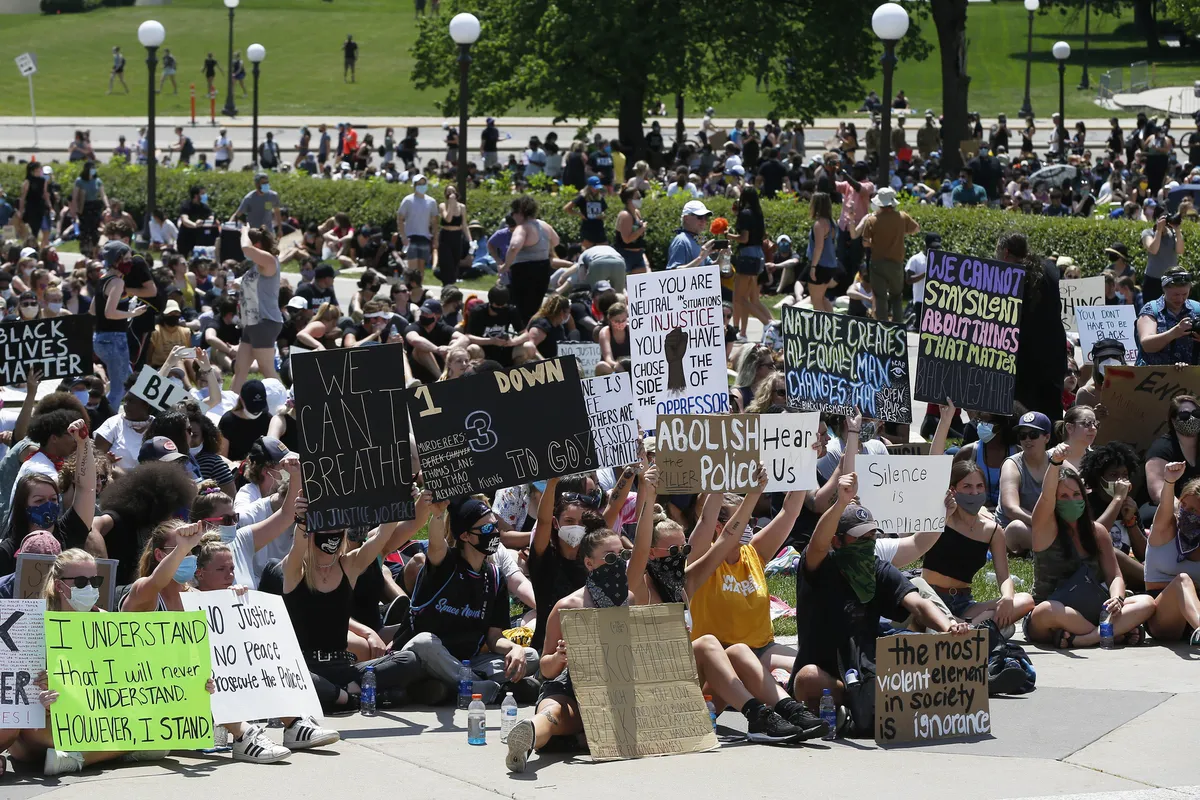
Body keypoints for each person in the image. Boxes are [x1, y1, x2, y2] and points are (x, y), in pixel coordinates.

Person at [790, 473, 970, 715]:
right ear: (838, 541)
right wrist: (841, 503)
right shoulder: (819, 567)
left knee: (915, 647)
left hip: (868, 671)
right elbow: (817, 544)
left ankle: (862, 706)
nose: (868, 542)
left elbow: (918, 604)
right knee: (808, 678)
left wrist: (948, 626)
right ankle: (852, 705)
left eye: (872, 536)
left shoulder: (876, 568)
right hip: (830, 676)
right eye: (860, 538)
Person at [397, 496, 539, 704]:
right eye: (486, 529)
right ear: (465, 535)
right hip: (424, 655)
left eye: (495, 526)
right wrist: (437, 515)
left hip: (466, 662)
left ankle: (452, 687)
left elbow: (494, 638)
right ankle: (481, 689)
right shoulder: (446, 564)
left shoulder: (496, 577)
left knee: (531, 657)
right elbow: (436, 546)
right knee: (425, 641)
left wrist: (513, 649)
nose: (494, 532)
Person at [1024, 443, 1156, 648]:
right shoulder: (1045, 531)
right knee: (1046, 611)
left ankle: (1085, 638)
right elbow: (1047, 495)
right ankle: (1114, 633)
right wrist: (1055, 463)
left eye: (1076, 495)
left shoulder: (1097, 532)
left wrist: (1117, 599)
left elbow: (1115, 576)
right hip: (1057, 612)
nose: (1071, 500)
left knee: (1146, 603)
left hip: (1094, 608)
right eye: (1064, 496)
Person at [925, 460, 1035, 631]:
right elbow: (933, 464)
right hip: (931, 598)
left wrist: (1007, 597)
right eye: (967, 487)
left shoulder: (992, 530)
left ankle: (967, 628)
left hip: (964, 603)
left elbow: (1004, 576)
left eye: (979, 486)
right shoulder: (939, 519)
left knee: (1025, 600)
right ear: (953, 490)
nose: (974, 492)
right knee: (917, 608)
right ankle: (977, 628)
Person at [1145, 461, 1200, 644]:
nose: (1185, 512)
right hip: (1163, 616)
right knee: (1182, 580)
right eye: (1183, 505)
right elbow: (1165, 507)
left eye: (1193, 510)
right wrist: (1169, 482)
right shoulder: (1164, 530)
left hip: (1195, 608)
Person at [1080, 442, 1146, 592]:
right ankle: (1162, 583)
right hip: (1094, 570)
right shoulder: (1086, 504)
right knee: (1111, 551)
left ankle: (1158, 582)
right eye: (1113, 475)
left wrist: (1131, 522)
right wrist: (1116, 500)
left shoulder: (1129, 505)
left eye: (1124, 475)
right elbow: (1094, 538)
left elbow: (1143, 554)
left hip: (1122, 574)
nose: (1120, 480)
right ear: (1099, 478)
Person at [90, 241, 146, 407]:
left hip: (100, 339)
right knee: (119, 389)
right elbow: (110, 312)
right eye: (127, 258)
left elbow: (93, 310)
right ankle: (103, 422)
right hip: (114, 340)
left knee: (130, 381)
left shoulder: (102, 279)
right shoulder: (117, 282)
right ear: (116, 259)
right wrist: (132, 313)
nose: (130, 262)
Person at [853, 187, 919, 323]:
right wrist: (900, 234)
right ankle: (898, 329)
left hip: (878, 263)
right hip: (896, 264)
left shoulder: (872, 220)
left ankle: (883, 328)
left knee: (880, 296)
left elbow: (865, 243)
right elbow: (916, 228)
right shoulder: (902, 217)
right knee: (896, 296)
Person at [230, 226, 283, 392]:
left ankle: (289, 402)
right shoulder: (256, 266)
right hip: (251, 322)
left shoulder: (269, 259)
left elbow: (246, 248)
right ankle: (228, 407)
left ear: (257, 245)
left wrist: (244, 231)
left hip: (265, 322)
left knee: (266, 369)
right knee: (240, 369)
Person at [502, 196, 560, 324]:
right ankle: (533, 331)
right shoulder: (544, 225)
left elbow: (513, 247)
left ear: (521, 212)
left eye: (513, 212)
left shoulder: (522, 228)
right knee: (535, 305)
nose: (512, 216)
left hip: (524, 270)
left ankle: (524, 335)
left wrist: (506, 265)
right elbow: (556, 241)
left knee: (521, 306)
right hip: (543, 268)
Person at [731, 187, 772, 339]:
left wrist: (729, 235)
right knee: (751, 298)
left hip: (747, 256)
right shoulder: (758, 214)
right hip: (758, 257)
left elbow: (744, 238)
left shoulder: (745, 214)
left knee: (739, 298)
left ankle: (767, 324)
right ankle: (743, 332)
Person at [1137, 267, 1199, 366]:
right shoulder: (1151, 310)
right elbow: (1147, 345)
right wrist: (1174, 332)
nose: (1180, 298)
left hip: (1191, 376)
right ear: (1164, 289)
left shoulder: (1197, 309)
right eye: (1175, 294)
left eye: (1184, 294)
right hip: (1155, 377)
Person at [219, 380, 271, 461]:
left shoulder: (268, 419)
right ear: (241, 400)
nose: (256, 412)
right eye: (253, 407)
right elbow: (222, 457)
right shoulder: (228, 421)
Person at [1141, 207, 1184, 303]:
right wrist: (1159, 231)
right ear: (1156, 219)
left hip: (1171, 280)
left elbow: (1180, 250)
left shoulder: (1173, 233)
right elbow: (1153, 250)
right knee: (1152, 310)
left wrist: (1177, 230)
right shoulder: (1148, 233)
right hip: (1153, 280)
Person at [804, 192, 837, 314]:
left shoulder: (819, 224)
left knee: (816, 301)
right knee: (822, 298)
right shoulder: (831, 223)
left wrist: (813, 267)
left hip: (820, 265)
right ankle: (832, 325)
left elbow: (819, 247)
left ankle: (822, 330)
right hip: (831, 265)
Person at [397, 175, 439, 273]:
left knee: (421, 269)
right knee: (412, 269)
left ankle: (419, 287)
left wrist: (435, 238)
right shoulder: (408, 200)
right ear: (414, 185)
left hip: (425, 237)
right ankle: (411, 287)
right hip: (411, 237)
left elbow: (435, 222)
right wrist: (403, 236)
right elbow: (400, 219)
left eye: (423, 184)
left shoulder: (431, 202)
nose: (421, 186)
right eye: (419, 184)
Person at [666, 200, 717, 270]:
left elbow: (710, 266)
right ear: (686, 218)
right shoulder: (681, 241)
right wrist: (700, 258)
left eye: (706, 217)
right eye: (700, 217)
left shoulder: (698, 239)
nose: (703, 221)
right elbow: (673, 272)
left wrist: (723, 257)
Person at [233, 173, 283, 239]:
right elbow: (237, 214)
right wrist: (228, 226)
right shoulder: (249, 198)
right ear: (257, 185)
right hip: (254, 234)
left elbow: (277, 212)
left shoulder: (273, 196)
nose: (265, 185)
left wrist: (280, 228)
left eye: (266, 182)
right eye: (263, 183)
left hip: (268, 232)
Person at [613, 184, 648, 276]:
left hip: (638, 254)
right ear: (629, 200)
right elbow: (627, 239)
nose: (640, 199)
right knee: (623, 285)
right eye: (637, 197)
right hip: (625, 255)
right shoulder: (625, 216)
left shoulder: (637, 212)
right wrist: (642, 229)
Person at [564, 176, 608, 247]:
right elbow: (567, 208)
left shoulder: (600, 198)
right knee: (587, 249)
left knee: (604, 248)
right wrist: (579, 214)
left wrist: (603, 215)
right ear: (589, 187)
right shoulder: (582, 197)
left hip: (599, 228)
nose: (597, 189)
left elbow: (604, 211)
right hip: (587, 228)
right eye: (594, 187)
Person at [436, 185, 466, 286]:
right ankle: (446, 284)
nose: (450, 194)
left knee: (455, 262)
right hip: (445, 236)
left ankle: (452, 284)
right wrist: (451, 205)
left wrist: (470, 240)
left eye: (452, 191)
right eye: (448, 192)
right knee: (446, 262)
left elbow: (464, 225)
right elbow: (448, 219)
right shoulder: (442, 206)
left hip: (457, 236)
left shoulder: (462, 207)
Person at [17, 161, 52, 248]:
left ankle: (39, 247)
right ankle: (32, 247)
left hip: (41, 207)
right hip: (31, 207)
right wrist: (21, 211)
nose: (40, 170)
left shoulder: (43, 180)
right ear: (33, 170)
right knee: (34, 230)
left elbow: (45, 194)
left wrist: (50, 206)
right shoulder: (28, 181)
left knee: (45, 229)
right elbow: (23, 197)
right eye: (39, 169)